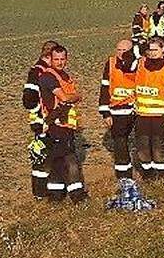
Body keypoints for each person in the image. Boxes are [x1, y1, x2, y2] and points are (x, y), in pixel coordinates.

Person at [37, 44, 87, 203]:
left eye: (62, 59)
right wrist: (76, 96)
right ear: (50, 60)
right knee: (70, 160)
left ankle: (56, 196)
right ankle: (77, 195)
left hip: (66, 125)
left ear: (67, 59)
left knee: (57, 161)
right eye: (56, 59)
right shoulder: (48, 77)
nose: (59, 62)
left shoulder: (64, 75)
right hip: (56, 126)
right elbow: (64, 97)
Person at [133, 37, 164, 180]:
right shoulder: (140, 64)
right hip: (141, 115)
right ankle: (147, 175)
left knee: (159, 146)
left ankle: (161, 176)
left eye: (155, 49)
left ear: (163, 50)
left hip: (161, 115)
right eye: (150, 50)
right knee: (143, 146)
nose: (152, 53)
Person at [99, 38, 140, 179]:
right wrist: (105, 113)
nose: (121, 53)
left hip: (136, 109)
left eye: (125, 50)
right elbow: (104, 87)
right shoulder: (110, 63)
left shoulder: (138, 63)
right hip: (117, 110)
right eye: (119, 50)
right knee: (120, 142)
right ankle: (124, 175)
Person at [23, 40, 59, 199]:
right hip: (42, 122)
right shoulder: (37, 72)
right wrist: (41, 118)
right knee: (42, 157)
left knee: (47, 154)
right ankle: (40, 193)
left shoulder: (43, 70)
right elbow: (28, 99)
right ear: (48, 55)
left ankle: (44, 192)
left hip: (46, 120)